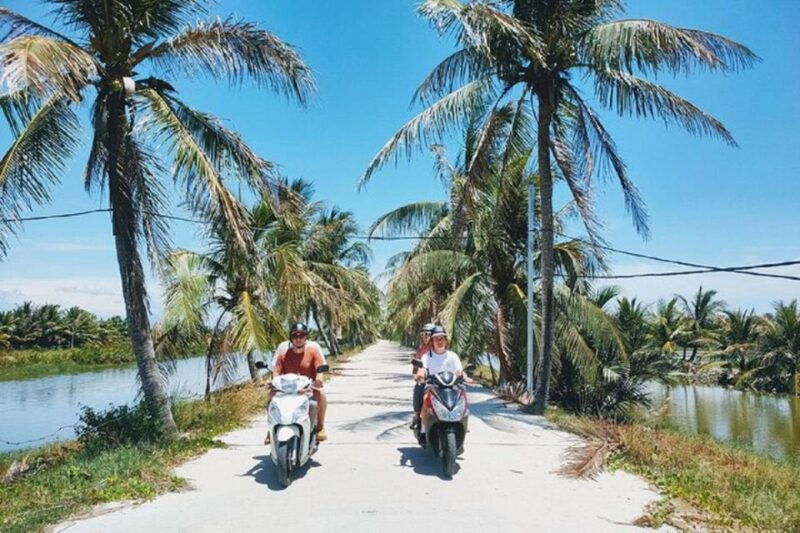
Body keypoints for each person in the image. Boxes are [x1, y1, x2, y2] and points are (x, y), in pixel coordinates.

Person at [265, 322, 329, 444]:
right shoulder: (283, 355)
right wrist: (273, 383)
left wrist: (318, 381)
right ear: (291, 338)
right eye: (295, 336)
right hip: (288, 389)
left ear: (306, 337)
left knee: (322, 394)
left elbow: (320, 369)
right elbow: (276, 373)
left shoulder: (313, 351)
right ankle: (271, 429)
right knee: (270, 396)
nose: (298, 339)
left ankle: (320, 426)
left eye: (301, 336)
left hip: (308, 388)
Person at [410, 323, 435, 429]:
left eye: (427, 334)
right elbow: (416, 367)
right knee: (418, 389)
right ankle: (417, 415)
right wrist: (416, 375)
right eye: (423, 335)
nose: (425, 337)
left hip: (441, 379)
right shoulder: (421, 349)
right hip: (427, 379)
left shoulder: (440, 348)